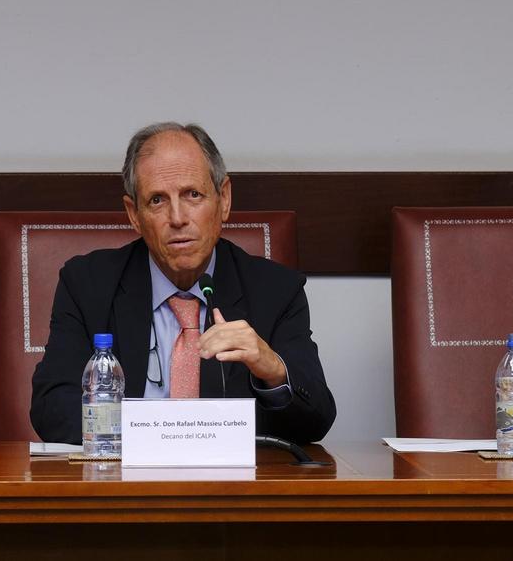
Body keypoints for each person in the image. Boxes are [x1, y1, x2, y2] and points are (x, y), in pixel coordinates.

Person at [30, 122, 336, 444]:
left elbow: (316, 421)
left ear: (224, 199)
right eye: (157, 200)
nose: (177, 218)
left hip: (234, 490)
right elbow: (51, 407)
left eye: (193, 195)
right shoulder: (88, 284)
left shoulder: (275, 291)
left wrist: (273, 369)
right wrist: (156, 436)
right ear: (134, 214)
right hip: (123, 484)